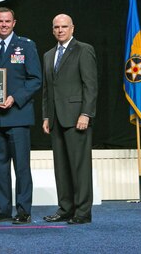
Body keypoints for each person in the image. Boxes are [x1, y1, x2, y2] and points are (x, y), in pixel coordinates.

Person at [0, 7, 42, 224]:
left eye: (7, 21)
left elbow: (35, 79)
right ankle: (2, 210)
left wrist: (15, 97)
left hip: (18, 115)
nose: (3, 25)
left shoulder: (26, 45)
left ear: (14, 22)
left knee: (21, 166)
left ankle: (23, 211)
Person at [42, 14, 98, 225]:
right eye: (56, 27)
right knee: (61, 167)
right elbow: (47, 89)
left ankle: (82, 212)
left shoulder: (84, 50)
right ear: (52, 29)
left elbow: (90, 86)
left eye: (64, 26)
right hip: (56, 118)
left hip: (77, 118)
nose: (60, 30)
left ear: (72, 28)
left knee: (79, 167)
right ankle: (65, 208)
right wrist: (46, 116)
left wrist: (86, 113)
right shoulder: (48, 55)